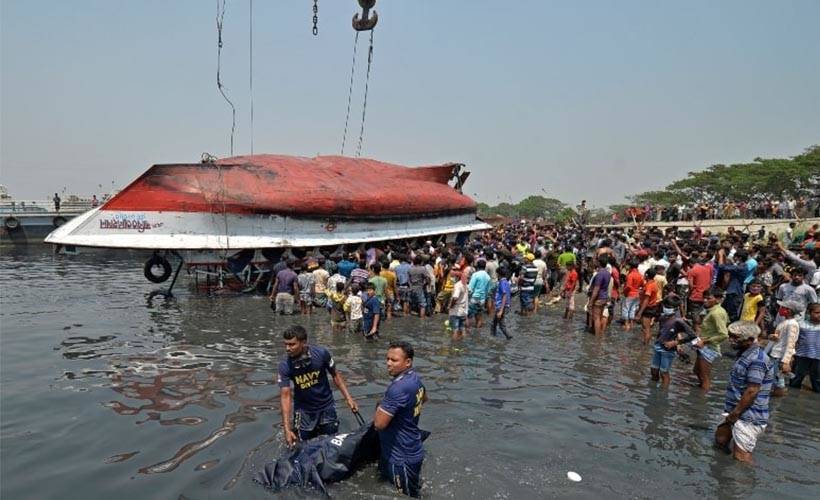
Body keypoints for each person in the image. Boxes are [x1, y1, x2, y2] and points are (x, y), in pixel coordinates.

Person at [278, 326, 358, 447]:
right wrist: (287, 429)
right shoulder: (285, 365)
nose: (287, 348)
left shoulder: (321, 354)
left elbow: (335, 375)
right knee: (303, 446)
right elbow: (285, 396)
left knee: (333, 443)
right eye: (286, 344)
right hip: (304, 411)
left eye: (292, 344)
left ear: (303, 342)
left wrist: (349, 399)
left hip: (327, 407)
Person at [373, 341, 427, 498]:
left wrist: (382, 406)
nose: (388, 363)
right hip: (412, 447)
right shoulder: (415, 378)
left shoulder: (398, 388)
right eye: (387, 359)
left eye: (394, 360)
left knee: (406, 496)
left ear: (408, 362)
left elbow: (379, 424)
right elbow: (424, 398)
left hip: (401, 457)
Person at [714, 321, 773, 463]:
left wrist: (735, 413)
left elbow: (752, 390)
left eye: (735, 337)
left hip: (748, 415)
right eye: (730, 336)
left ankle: (743, 477)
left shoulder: (757, 360)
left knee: (741, 457)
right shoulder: (743, 354)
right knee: (720, 441)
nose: (731, 340)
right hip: (734, 410)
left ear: (750, 340)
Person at [651, 296, 695, 387]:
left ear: (675, 309)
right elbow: (661, 331)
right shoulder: (662, 317)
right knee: (654, 370)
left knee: (664, 372)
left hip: (668, 350)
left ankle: (664, 392)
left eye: (668, 307)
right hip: (658, 346)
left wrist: (676, 343)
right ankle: (653, 390)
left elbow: (693, 336)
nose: (666, 308)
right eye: (665, 306)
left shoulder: (679, 321)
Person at [693, 288, 729, 391]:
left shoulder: (716, 313)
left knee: (704, 376)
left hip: (709, 347)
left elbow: (724, 334)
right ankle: (701, 390)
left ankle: (702, 397)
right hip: (703, 344)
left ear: (718, 299)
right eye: (704, 298)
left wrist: (704, 341)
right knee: (697, 371)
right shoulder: (710, 310)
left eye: (709, 298)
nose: (705, 300)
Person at [768, 299, 802, 396]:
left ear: (789, 310)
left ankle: (778, 395)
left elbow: (791, 343)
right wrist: (773, 337)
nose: (780, 309)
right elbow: (781, 337)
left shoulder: (792, 324)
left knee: (776, 379)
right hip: (776, 353)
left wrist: (786, 361)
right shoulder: (785, 322)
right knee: (775, 378)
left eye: (783, 307)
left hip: (780, 356)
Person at [790, 302, 820, 392]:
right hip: (802, 355)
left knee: (817, 380)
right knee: (796, 378)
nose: (819, 315)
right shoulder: (801, 324)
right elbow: (794, 340)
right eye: (817, 312)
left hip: (818, 357)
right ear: (809, 313)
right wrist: (791, 354)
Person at [491, 267, 513, 339]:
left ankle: (509, 337)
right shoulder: (506, 282)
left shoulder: (502, 282)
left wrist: (501, 310)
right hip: (503, 306)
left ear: (498, 274)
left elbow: (504, 295)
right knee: (494, 323)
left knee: (501, 325)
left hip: (501, 306)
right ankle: (492, 337)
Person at [448, 266, 468, 340]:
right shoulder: (465, 285)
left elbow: (455, 297)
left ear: (457, 278)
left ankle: (454, 344)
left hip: (456, 311)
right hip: (463, 311)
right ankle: (463, 343)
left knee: (455, 329)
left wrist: (451, 305)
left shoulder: (457, 285)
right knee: (462, 329)